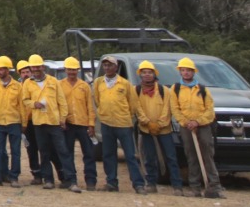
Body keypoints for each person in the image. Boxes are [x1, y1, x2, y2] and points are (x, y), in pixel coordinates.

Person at [23, 53, 78, 191]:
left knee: (63, 151)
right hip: (39, 123)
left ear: (42, 66)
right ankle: (48, 180)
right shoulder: (28, 83)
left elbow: (62, 102)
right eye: (33, 67)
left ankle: (71, 180)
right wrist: (33, 104)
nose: (36, 69)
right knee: (44, 152)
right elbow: (24, 100)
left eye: (38, 67)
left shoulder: (53, 81)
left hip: (54, 122)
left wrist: (63, 119)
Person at [91, 55, 146, 194]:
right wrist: (103, 114)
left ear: (116, 67)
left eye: (110, 65)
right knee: (108, 155)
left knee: (130, 156)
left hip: (123, 124)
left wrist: (128, 117)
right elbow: (97, 101)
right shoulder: (98, 83)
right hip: (106, 123)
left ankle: (138, 184)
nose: (107, 67)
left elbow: (133, 104)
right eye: (105, 65)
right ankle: (111, 183)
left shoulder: (125, 83)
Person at [172, 57, 224, 199]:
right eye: (183, 70)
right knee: (191, 156)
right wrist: (185, 122)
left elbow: (209, 110)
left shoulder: (202, 89)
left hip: (203, 126)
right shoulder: (175, 89)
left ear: (193, 72)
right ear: (180, 72)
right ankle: (194, 187)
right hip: (186, 127)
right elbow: (175, 109)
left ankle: (214, 186)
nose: (186, 73)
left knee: (207, 155)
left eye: (189, 70)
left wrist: (198, 122)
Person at [135, 60, 182, 195]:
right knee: (149, 158)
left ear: (154, 74)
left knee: (171, 158)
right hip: (146, 129)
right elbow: (137, 108)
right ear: (140, 75)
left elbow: (168, 109)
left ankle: (177, 186)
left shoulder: (164, 90)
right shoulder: (136, 91)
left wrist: (160, 124)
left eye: (150, 72)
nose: (147, 75)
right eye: (144, 73)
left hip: (164, 130)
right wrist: (147, 123)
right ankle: (151, 183)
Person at [0, 56, 26, 186]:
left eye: (2, 69)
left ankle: (14, 177)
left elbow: (22, 105)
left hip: (14, 122)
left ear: (8, 70)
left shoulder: (17, 86)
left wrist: (24, 123)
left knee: (15, 151)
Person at [60, 57, 98, 191]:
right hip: (68, 125)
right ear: (65, 70)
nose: (71, 72)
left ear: (78, 70)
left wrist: (91, 124)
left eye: (74, 70)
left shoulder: (84, 86)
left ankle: (91, 180)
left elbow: (90, 107)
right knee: (67, 153)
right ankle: (71, 180)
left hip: (83, 124)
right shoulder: (60, 85)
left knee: (88, 153)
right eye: (69, 69)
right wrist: (61, 120)